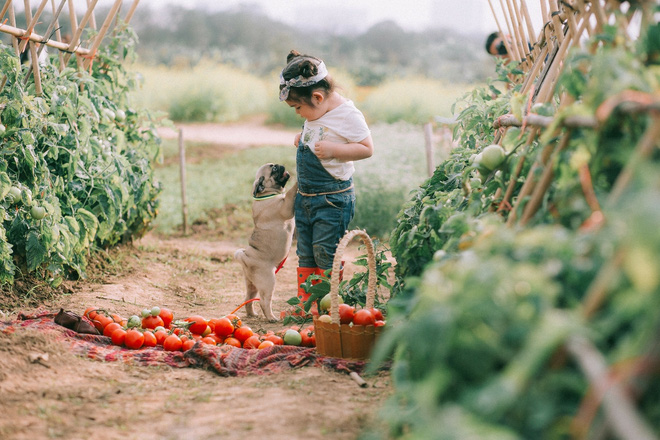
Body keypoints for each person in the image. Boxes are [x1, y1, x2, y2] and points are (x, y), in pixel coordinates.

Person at [279, 50, 374, 307]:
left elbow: (366, 148)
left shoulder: (348, 115)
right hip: (306, 198)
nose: (297, 113)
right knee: (306, 252)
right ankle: (307, 304)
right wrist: (303, 139)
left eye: (297, 107)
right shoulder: (318, 111)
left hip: (332, 200)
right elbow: (318, 131)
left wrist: (335, 151)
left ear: (318, 97)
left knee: (325, 253)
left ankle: (328, 305)